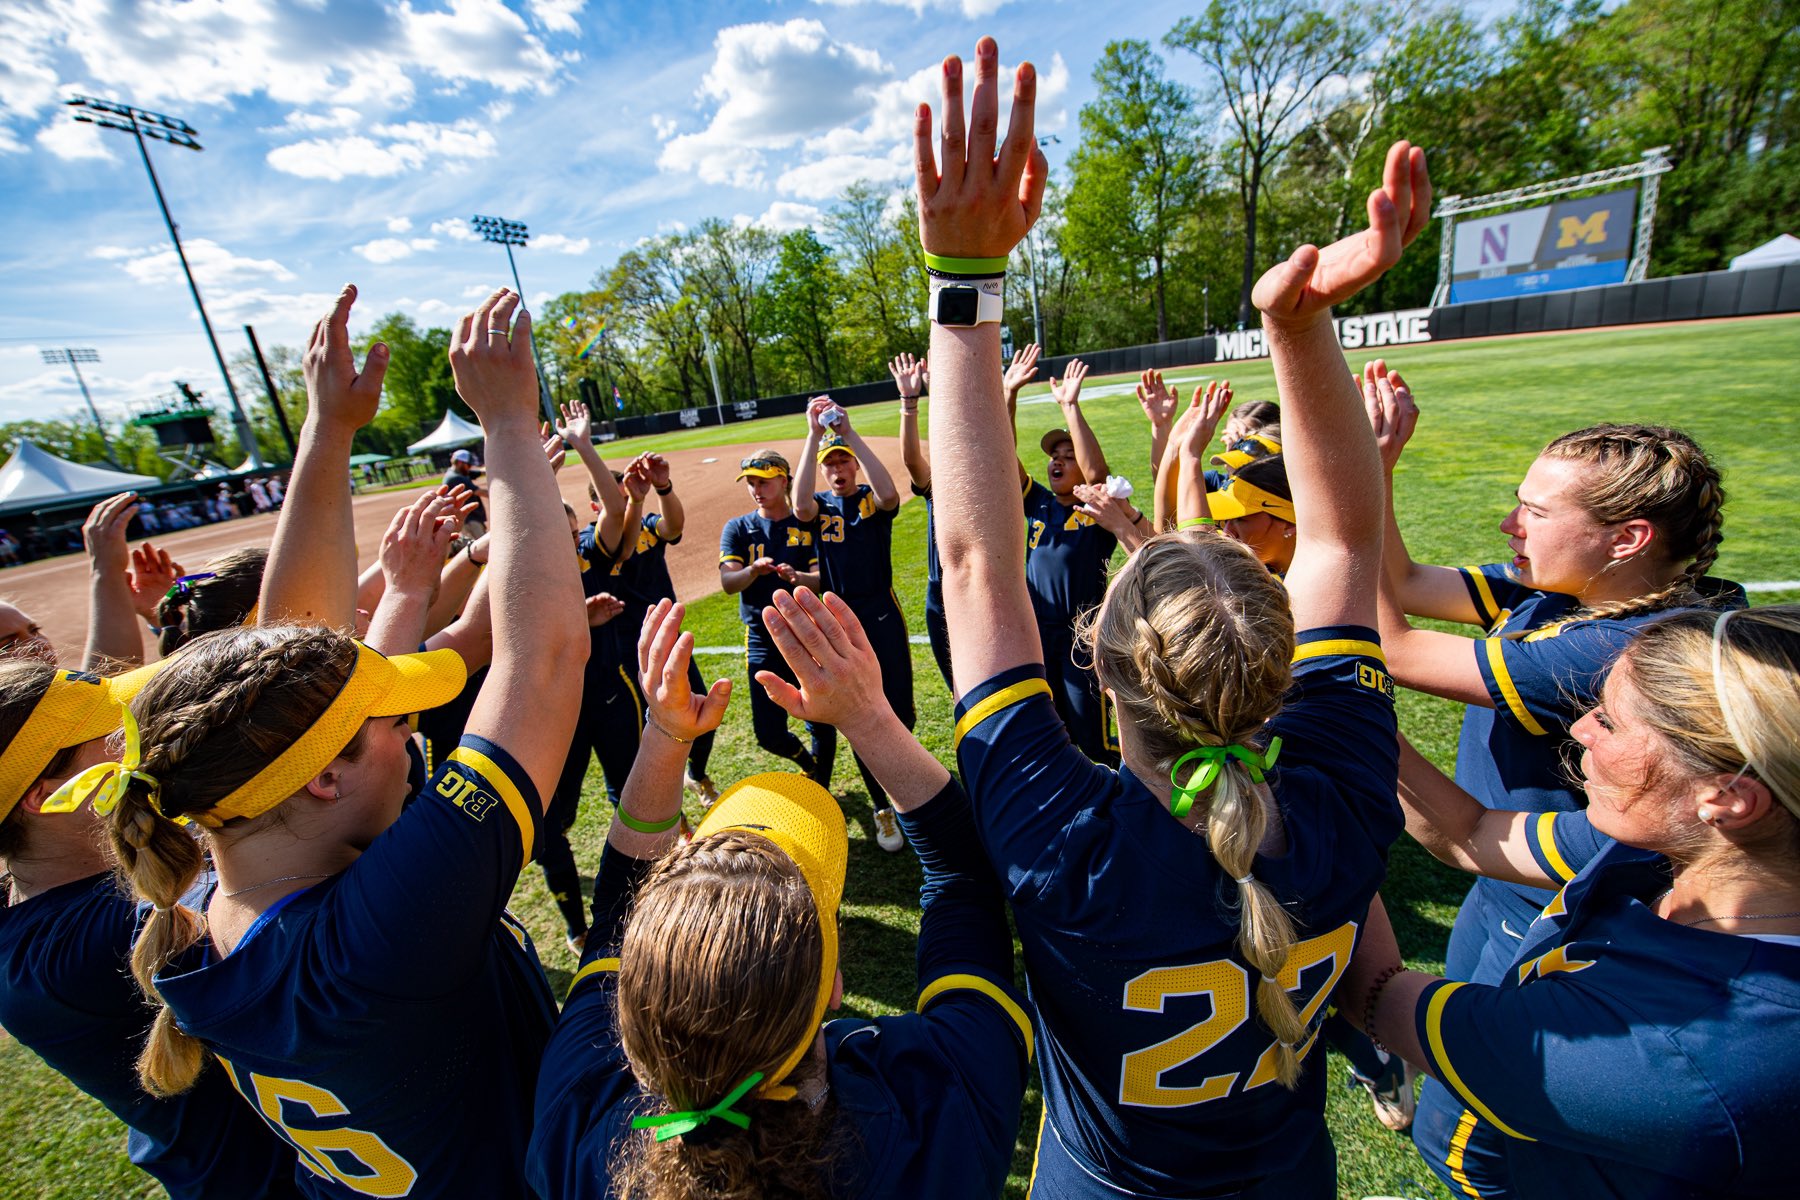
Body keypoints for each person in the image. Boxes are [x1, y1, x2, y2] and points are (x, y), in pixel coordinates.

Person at [918, 45, 1426, 1194]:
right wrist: (1294, 328)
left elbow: (968, 559)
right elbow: (1345, 539)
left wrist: (966, 267)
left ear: (1098, 667)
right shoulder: (1343, 794)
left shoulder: (1067, 843)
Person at [98, 285, 584, 1198]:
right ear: (322, 779)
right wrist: (513, 424)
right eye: (393, 722)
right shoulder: (380, 931)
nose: (411, 741)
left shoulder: (204, 881)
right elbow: (546, 662)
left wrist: (328, 431)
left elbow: (281, 664)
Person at [1366, 366, 1745, 1193]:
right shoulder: (1572, 597)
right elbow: (1400, 583)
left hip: (1551, 910)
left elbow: (1387, 643)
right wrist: (1384, 465)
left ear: (1627, 539)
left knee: (1469, 1127)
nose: (1510, 523)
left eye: (1535, 512)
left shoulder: (1616, 652)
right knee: (1443, 1041)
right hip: (1500, 885)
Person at [527, 594, 1032, 1200]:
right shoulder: (940, 1101)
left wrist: (662, 733)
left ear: (629, 1005)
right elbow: (964, 878)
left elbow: (610, 910)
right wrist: (867, 716)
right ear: (836, 981)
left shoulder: (580, 1129)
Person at [1341, 604, 1800, 1199]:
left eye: (1609, 721)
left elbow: (1374, 996)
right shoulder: (1684, 843)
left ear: (1730, 797)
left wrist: (1324, 826)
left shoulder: (1676, 1052)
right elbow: (1473, 835)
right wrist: (1356, 720)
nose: (1580, 728)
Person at [0, 659, 302, 1198]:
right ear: (48, 796)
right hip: (282, 1180)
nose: (142, 733)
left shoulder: (32, 893)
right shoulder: (102, 936)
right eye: (117, 733)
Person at [794, 395, 910, 853]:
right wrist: (811, 435)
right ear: (824, 471)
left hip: (881, 611)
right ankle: (883, 804)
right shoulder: (819, 507)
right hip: (839, 618)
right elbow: (799, 504)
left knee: (899, 707)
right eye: (831, 465)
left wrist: (849, 435)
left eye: (844, 462)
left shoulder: (868, 500)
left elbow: (890, 494)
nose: (838, 469)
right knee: (860, 712)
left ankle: (904, 781)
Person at [897, 344, 1041, 694]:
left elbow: (1000, 449)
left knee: (1001, 684)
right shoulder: (939, 484)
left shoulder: (992, 481)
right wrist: (909, 403)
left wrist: (1008, 394)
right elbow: (913, 460)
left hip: (990, 587)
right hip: (940, 593)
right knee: (960, 690)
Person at [1023, 357, 1143, 766]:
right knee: (1051, 729)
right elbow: (1002, 458)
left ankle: (1113, 796)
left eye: (1067, 455)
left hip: (1082, 639)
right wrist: (1007, 395)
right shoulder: (1037, 501)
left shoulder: (1094, 509)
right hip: (1039, 637)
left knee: (1089, 733)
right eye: (1053, 455)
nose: (1056, 461)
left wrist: (1070, 407)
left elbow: (1097, 474)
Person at [719, 449, 834, 787]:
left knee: (821, 721)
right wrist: (752, 570)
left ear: (783, 481)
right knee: (768, 733)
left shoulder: (806, 522)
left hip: (806, 632)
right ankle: (805, 761)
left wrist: (796, 577)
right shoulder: (738, 528)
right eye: (751, 483)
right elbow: (728, 583)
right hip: (761, 636)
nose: (757, 489)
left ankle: (820, 786)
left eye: (764, 482)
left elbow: (821, 579)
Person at [444, 448, 488, 538]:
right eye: (469, 465)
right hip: (469, 519)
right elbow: (480, 492)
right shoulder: (456, 478)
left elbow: (480, 472)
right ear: (460, 463)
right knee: (482, 547)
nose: (470, 467)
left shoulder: (459, 473)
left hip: (470, 517)